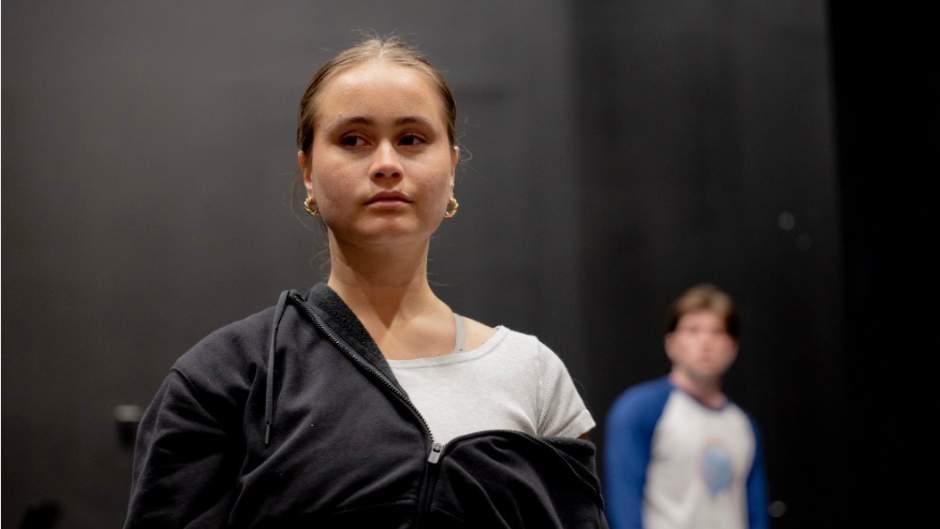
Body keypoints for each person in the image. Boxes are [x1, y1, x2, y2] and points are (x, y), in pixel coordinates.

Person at [122, 34, 607, 528]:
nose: (387, 165)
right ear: (308, 171)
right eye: (353, 140)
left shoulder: (533, 376)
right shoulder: (228, 377)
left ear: (452, 168)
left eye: (412, 139)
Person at [603, 283, 769, 529]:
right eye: (693, 330)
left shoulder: (743, 425)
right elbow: (624, 503)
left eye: (717, 331)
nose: (705, 342)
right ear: (671, 344)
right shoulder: (640, 410)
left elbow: (756, 514)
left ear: (732, 348)